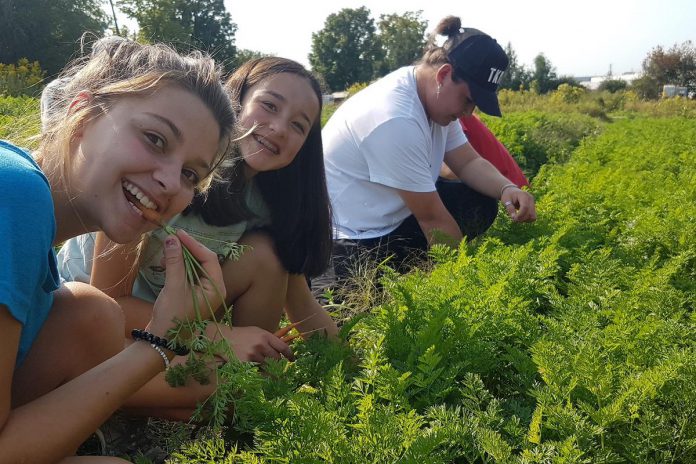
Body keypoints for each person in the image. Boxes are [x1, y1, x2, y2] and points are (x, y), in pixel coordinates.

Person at [0, 37, 236, 463]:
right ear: (83, 113)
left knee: (91, 313)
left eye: (190, 174)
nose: (170, 182)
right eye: (155, 138)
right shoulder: (15, 192)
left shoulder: (33, 213)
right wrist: (159, 342)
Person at [56, 56, 338, 373]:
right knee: (202, 387)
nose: (279, 128)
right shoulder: (162, 180)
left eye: (299, 126)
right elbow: (110, 302)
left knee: (268, 258)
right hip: (88, 315)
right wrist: (219, 336)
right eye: (270, 105)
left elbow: (301, 301)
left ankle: (246, 381)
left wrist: (352, 364)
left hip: (168, 321)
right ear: (235, 102)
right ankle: (221, 385)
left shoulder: (265, 202)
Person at [321, 16, 537, 280]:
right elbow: (433, 219)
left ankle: (421, 271)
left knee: (480, 201)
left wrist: (507, 188)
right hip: (350, 236)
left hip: (391, 215)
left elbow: (468, 162)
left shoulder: (432, 97)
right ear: (444, 75)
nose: (469, 112)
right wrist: (462, 285)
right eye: (469, 100)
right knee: (361, 306)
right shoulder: (396, 118)